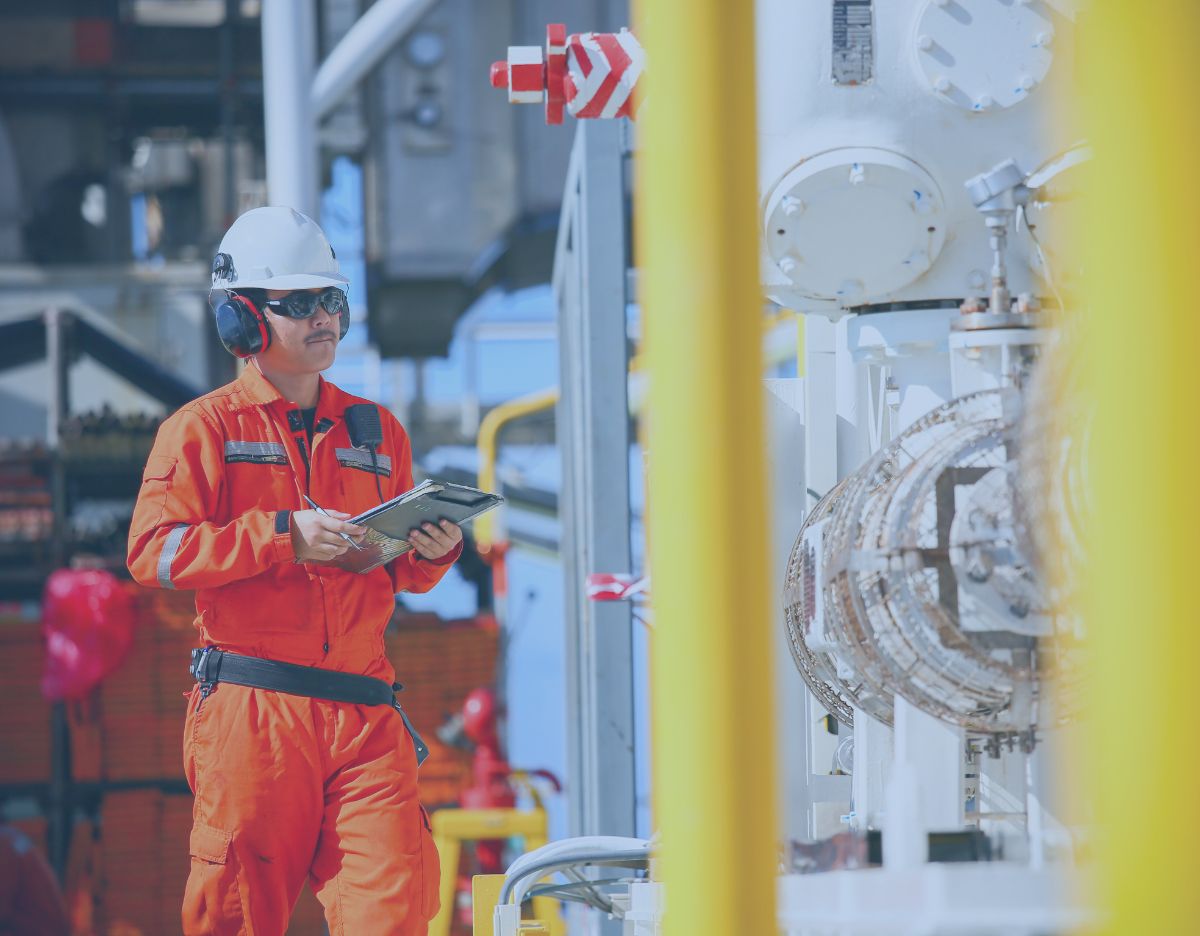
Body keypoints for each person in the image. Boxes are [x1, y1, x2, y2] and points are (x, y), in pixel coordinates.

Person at [127, 206, 462, 935]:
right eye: (300, 304)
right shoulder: (204, 429)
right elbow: (154, 552)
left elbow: (396, 576)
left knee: (393, 905)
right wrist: (282, 537)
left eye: (332, 301)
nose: (324, 319)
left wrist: (432, 551)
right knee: (238, 915)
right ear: (243, 320)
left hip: (365, 714)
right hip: (254, 714)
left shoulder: (379, 432)